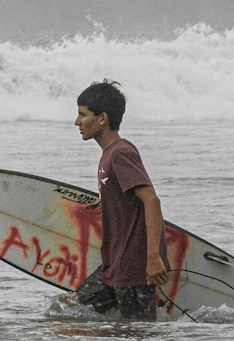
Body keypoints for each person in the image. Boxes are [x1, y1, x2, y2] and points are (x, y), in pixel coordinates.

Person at [71, 80, 168, 321]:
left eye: (82, 115)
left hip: (134, 270)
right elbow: (126, 200)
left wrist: (153, 258)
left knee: (137, 337)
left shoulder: (121, 153)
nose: (77, 122)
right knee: (68, 312)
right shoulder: (108, 155)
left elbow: (151, 201)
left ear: (102, 118)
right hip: (113, 267)